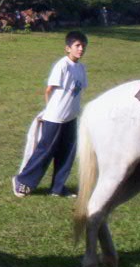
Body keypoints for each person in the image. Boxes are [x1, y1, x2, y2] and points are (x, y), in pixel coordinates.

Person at [12, 31, 89, 198]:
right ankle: (22, 181)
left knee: (66, 153)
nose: (81, 49)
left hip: (71, 117)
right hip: (55, 117)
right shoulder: (63, 65)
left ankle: (58, 188)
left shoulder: (81, 68)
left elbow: (77, 91)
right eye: (77, 46)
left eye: (83, 46)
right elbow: (49, 90)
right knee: (45, 151)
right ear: (68, 48)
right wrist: (51, 109)